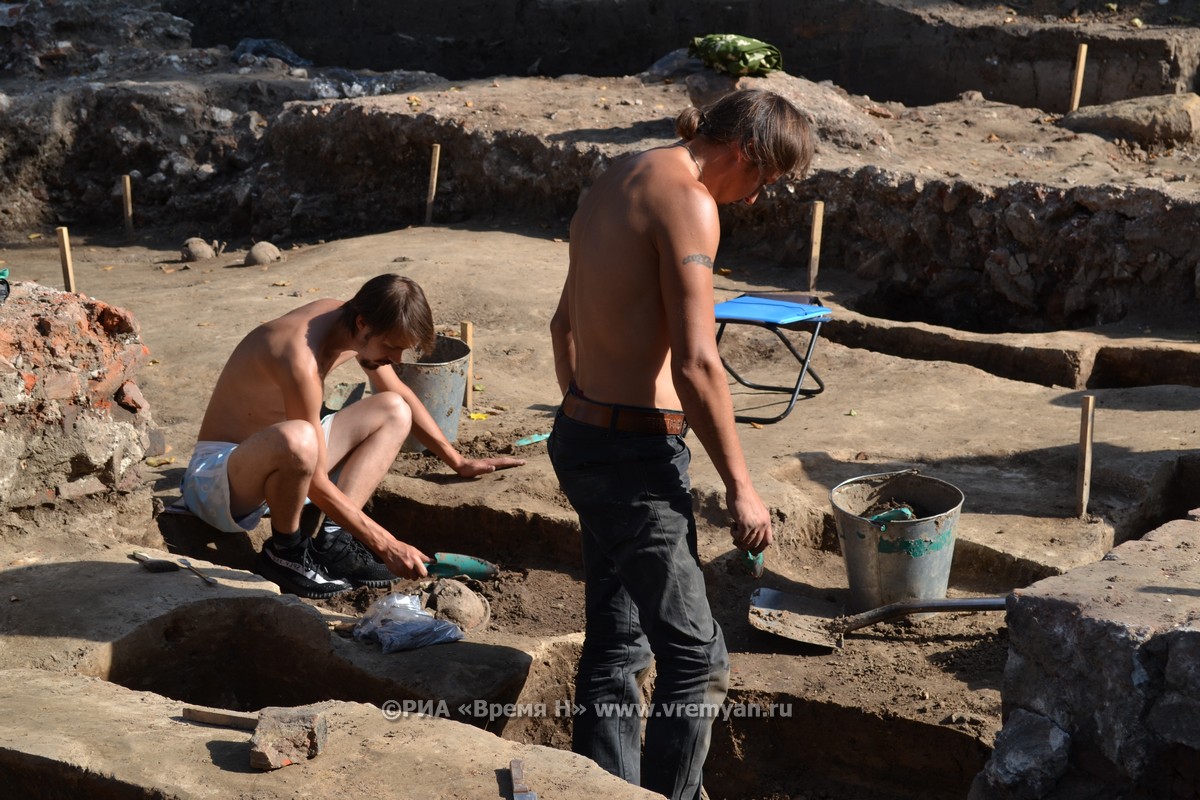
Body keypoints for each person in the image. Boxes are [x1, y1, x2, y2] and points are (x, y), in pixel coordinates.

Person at [547, 89, 814, 800]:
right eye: (763, 180)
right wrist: (742, 486)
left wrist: (587, 411)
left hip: (583, 437)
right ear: (742, 153)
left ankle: (603, 790)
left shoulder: (618, 175)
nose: (755, 200)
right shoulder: (689, 201)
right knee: (697, 658)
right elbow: (699, 363)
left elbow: (560, 327)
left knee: (615, 645)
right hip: (632, 459)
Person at [181, 273, 524, 598]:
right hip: (218, 481)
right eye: (392, 346)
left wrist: (458, 460)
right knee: (300, 438)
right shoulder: (300, 357)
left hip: (281, 464)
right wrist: (385, 542)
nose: (396, 358)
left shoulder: (349, 322)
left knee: (394, 409)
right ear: (363, 324)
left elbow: (399, 392)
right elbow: (314, 477)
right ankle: (285, 553)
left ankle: (334, 541)